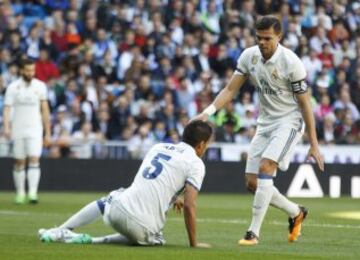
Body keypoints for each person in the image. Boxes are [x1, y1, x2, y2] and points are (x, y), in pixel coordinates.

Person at [194, 16, 324, 245]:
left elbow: (305, 105)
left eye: (267, 38)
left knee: (266, 167)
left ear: (279, 38)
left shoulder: (291, 63)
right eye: (259, 38)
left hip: (289, 122)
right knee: (252, 183)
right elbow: (230, 89)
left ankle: (252, 233)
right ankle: (296, 212)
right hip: (265, 122)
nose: (262, 43)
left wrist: (313, 143)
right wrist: (208, 112)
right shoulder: (249, 56)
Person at [38, 120, 213, 248]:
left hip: (117, 211)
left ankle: (61, 230)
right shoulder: (196, 164)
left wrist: (173, 197)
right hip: (144, 228)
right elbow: (190, 205)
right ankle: (93, 240)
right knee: (156, 238)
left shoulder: (159, 147)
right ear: (201, 144)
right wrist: (194, 244)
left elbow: (156, 178)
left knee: (107, 200)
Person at [3, 59, 51, 204]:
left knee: (34, 159)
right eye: (28, 70)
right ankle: (20, 193)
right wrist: (6, 127)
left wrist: (47, 132)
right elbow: (7, 109)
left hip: (35, 129)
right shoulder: (12, 87)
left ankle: (32, 193)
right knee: (19, 162)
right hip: (18, 129)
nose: (30, 73)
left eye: (32, 70)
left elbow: (45, 110)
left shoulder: (40, 86)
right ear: (21, 71)